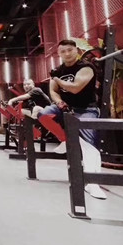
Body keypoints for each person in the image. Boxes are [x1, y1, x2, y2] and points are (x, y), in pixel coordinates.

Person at [37, 40, 105, 200]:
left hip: (86, 109)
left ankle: (92, 183)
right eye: (63, 51)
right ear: (59, 54)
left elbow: (75, 88)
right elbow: (53, 91)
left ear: (76, 50)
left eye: (70, 50)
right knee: (44, 114)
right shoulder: (58, 70)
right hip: (65, 108)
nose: (67, 54)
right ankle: (65, 139)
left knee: (89, 145)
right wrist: (59, 102)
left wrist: (57, 79)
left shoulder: (86, 67)